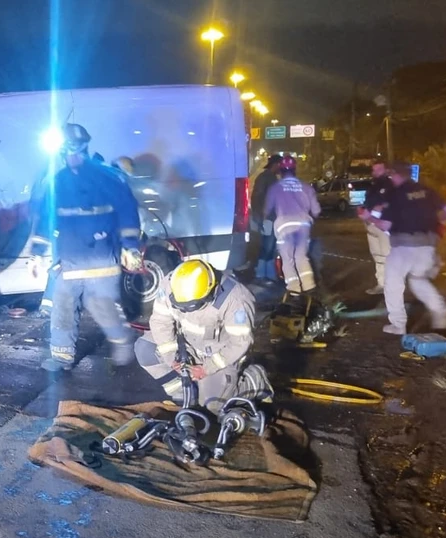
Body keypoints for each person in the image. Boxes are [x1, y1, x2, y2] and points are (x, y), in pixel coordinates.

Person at [35, 123, 143, 372]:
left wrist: (130, 247)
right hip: (70, 260)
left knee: (103, 307)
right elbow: (45, 217)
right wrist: (38, 253)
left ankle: (122, 341)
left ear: (84, 147)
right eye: (68, 151)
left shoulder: (107, 178)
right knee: (62, 310)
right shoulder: (58, 182)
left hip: (101, 258)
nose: (73, 156)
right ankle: (62, 358)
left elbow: (128, 213)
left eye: (76, 150)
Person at [134, 259, 273, 413]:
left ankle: (255, 380)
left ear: (210, 292)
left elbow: (239, 343)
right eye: (181, 307)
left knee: (213, 404)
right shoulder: (171, 284)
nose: (186, 311)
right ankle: (185, 394)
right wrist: (171, 357)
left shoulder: (236, 299)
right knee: (145, 349)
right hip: (186, 343)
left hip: (217, 354)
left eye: (192, 306)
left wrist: (207, 368)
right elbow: (160, 322)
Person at [360, 162, 446, 334]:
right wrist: (436, 223)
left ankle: (398, 324)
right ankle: (441, 311)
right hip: (427, 245)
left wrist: (369, 218)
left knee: (393, 284)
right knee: (418, 280)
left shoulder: (395, 194)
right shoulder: (426, 190)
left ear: (395, 175)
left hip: (403, 246)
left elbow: (386, 225)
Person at [263, 156, 321, 295]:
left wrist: (265, 222)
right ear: (295, 170)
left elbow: (267, 210)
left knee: (287, 259)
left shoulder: (275, 188)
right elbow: (317, 211)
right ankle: (309, 287)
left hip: (284, 227)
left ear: (281, 171)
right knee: (301, 257)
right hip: (303, 225)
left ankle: (294, 291)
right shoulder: (306, 187)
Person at [358, 160, 395, 295]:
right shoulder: (372, 186)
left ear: (386, 170)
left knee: (387, 256)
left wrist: (376, 209)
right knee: (378, 257)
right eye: (374, 169)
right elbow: (368, 202)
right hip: (370, 225)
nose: (376, 172)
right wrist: (363, 211)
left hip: (383, 226)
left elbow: (391, 203)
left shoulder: (390, 185)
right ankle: (381, 284)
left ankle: (392, 286)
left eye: (379, 169)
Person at [250, 154, 283, 282]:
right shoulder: (266, 178)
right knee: (267, 246)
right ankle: (262, 273)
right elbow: (257, 197)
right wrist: (261, 216)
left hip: (270, 217)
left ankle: (267, 273)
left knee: (269, 246)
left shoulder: (270, 177)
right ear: (275, 164)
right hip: (267, 218)